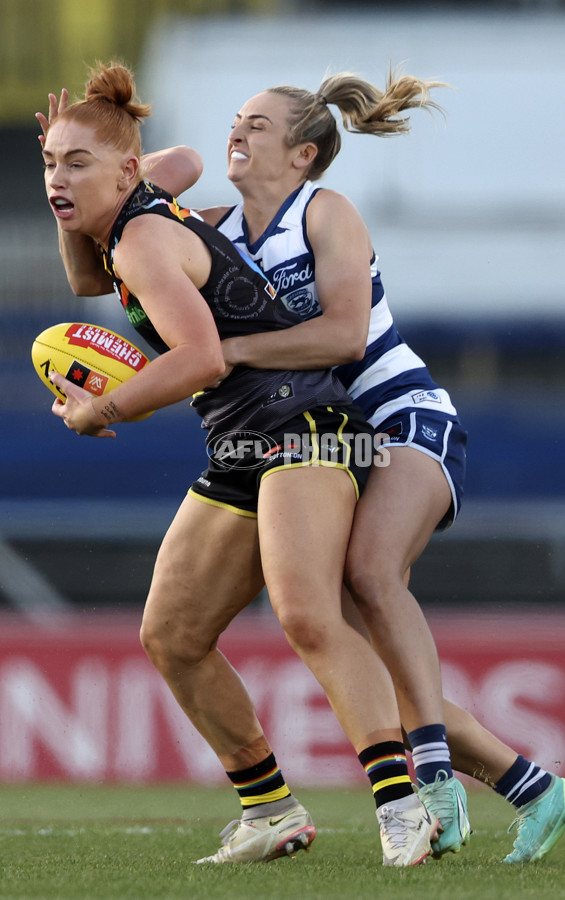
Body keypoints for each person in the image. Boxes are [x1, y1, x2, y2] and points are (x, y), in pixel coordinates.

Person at [160, 70, 565, 864]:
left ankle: (430, 776)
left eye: (257, 124)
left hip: (402, 421)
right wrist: (82, 156)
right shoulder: (216, 227)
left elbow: (346, 336)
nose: (237, 132)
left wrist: (226, 351)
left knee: (368, 574)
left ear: (303, 154)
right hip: (327, 439)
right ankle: (534, 787)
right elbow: (135, 208)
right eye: (234, 120)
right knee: (352, 649)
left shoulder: (324, 212)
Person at [38, 62, 441, 869]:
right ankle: (271, 809)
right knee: (172, 635)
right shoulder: (132, 216)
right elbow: (94, 264)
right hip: (243, 443)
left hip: (306, 424)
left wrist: (102, 410)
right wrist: (81, 174)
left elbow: (200, 360)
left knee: (304, 614)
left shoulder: (147, 239)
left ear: (124, 170)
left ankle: (404, 808)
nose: (56, 176)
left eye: (74, 163)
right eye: (48, 162)